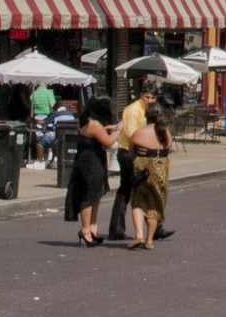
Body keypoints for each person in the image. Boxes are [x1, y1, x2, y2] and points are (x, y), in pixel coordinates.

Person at [64, 98, 115, 246]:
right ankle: (86, 229)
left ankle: (93, 226)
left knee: (97, 192)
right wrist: (119, 130)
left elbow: (95, 135)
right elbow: (109, 142)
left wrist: (106, 129)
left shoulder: (84, 120)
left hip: (86, 157)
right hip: (91, 160)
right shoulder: (94, 124)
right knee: (89, 193)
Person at [109, 80, 156, 241]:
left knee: (143, 189)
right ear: (141, 95)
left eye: (152, 98)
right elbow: (130, 133)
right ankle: (116, 229)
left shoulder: (149, 111)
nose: (149, 100)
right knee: (128, 190)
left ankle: (154, 227)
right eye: (147, 97)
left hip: (142, 153)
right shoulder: (133, 110)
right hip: (129, 153)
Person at [126, 109, 172, 249]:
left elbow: (131, 152)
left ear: (146, 117)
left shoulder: (138, 133)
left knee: (138, 202)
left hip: (142, 170)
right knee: (154, 205)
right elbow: (168, 148)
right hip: (160, 170)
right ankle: (149, 241)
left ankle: (139, 236)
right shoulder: (165, 134)